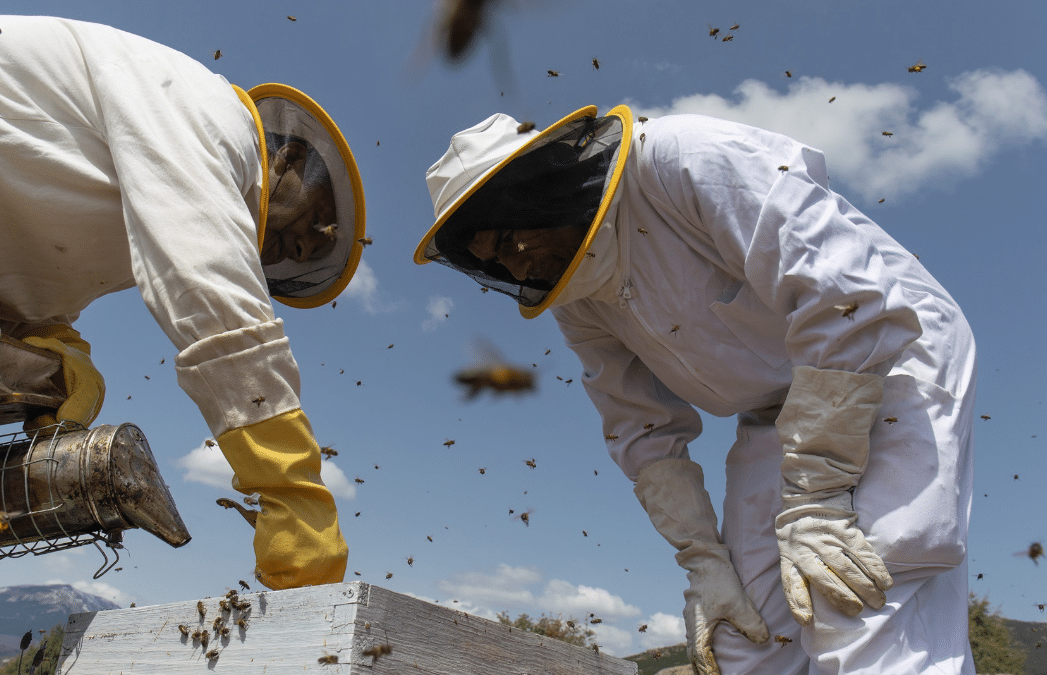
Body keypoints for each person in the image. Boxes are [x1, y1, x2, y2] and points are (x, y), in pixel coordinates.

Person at [0, 16, 366, 674]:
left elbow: (17, 280)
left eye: (297, 251)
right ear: (288, 161)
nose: (286, 245)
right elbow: (215, 301)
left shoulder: (137, 150)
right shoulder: (208, 118)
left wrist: (47, 356)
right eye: (298, 231)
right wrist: (293, 487)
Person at [414, 108, 977, 674]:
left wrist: (818, 499)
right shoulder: (578, 300)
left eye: (510, 237)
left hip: (886, 349)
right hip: (773, 414)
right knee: (745, 638)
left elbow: (848, 301)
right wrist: (704, 562)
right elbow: (640, 428)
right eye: (493, 260)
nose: (514, 263)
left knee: (853, 587)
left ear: (542, 189)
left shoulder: (684, 157)